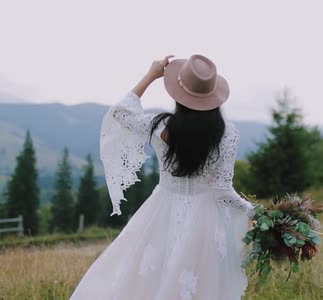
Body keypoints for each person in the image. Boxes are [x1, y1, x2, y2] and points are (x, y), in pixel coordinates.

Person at [70, 54, 255, 299]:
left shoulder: (159, 126)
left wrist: (150, 75)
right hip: (206, 218)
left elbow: (120, 113)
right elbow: (222, 191)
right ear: (212, 97)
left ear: (179, 94)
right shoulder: (227, 133)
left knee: (146, 278)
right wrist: (253, 210)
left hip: (162, 210)